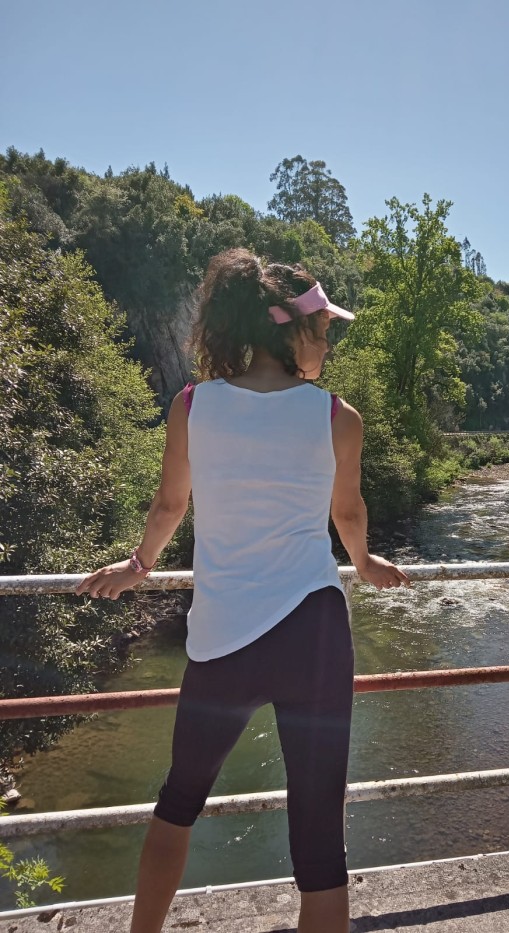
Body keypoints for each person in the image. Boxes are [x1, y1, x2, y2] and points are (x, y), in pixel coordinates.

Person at [76, 248, 410, 933]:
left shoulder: (192, 404)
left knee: (177, 801)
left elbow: (171, 505)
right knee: (320, 836)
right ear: (289, 331)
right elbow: (346, 514)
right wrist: (365, 561)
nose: (327, 341)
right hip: (313, 633)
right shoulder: (337, 417)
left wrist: (137, 565)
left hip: (223, 634)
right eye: (322, 328)